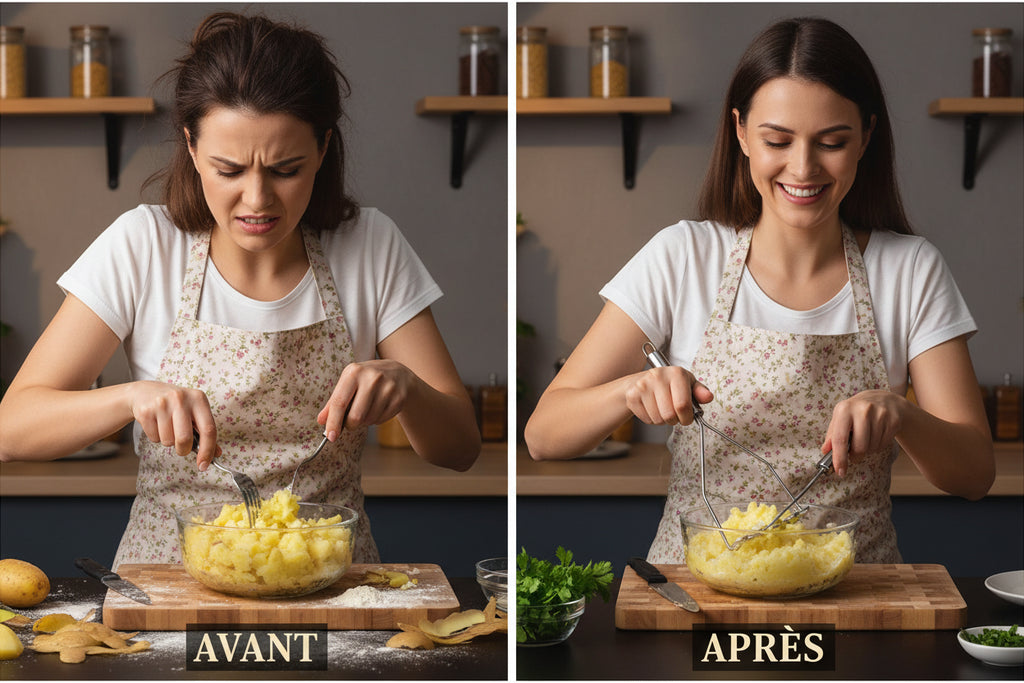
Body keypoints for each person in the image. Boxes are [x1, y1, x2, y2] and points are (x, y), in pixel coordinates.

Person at [0, 12, 481, 567]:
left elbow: (461, 449)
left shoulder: (370, 244)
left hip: (330, 582)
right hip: (165, 583)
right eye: (229, 170)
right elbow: (13, 430)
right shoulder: (142, 244)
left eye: (285, 169)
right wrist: (131, 397)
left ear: (323, 149)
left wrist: (409, 390)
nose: (257, 200)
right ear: (191, 146)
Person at [524, 17, 993, 564]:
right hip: (697, 594)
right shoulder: (683, 256)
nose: (803, 168)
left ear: (866, 135)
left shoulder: (910, 270)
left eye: (832, 142)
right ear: (741, 132)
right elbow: (544, 435)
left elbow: (975, 474)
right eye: (777, 140)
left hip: (856, 596)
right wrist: (630, 392)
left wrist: (902, 414)